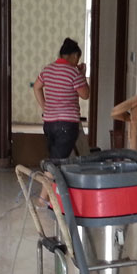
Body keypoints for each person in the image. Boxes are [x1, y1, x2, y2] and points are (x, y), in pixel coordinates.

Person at [33, 37, 90, 204]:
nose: (77, 62)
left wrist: (45, 107)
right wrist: (82, 75)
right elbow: (85, 94)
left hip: (49, 124)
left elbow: (36, 87)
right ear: (74, 56)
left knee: (56, 158)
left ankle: (57, 197)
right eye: (77, 58)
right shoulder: (73, 73)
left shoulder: (48, 69)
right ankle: (42, 199)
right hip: (67, 124)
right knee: (55, 163)